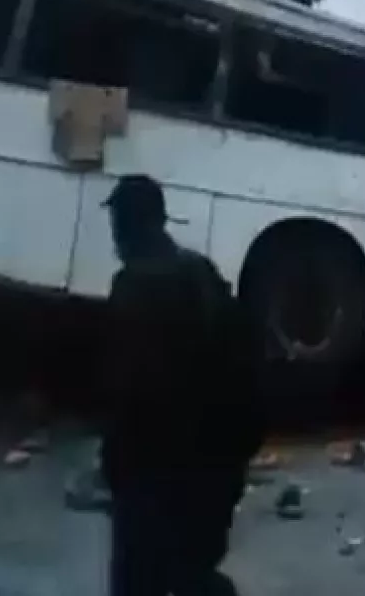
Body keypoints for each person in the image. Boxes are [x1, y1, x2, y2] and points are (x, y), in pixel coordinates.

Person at [99, 174, 264, 596]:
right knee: (189, 571)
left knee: (142, 579)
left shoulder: (132, 289)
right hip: (209, 473)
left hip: (151, 474)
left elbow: (125, 393)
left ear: (127, 226)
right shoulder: (202, 275)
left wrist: (115, 467)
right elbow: (245, 368)